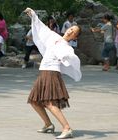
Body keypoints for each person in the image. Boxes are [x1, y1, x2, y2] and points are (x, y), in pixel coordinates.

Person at [24, 8, 82, 139]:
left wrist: (66, 57)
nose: (70, 30)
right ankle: (48, 124)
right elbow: (42, 29)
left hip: (52, 73)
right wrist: (33, 15)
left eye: (74, 31)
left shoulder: (67, 47)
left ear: (75, 37)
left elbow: (71, 57)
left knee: (49, 103)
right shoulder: (54, 37)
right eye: (71, 28)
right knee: (34, 101)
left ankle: (67, 128)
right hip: (44, 71)